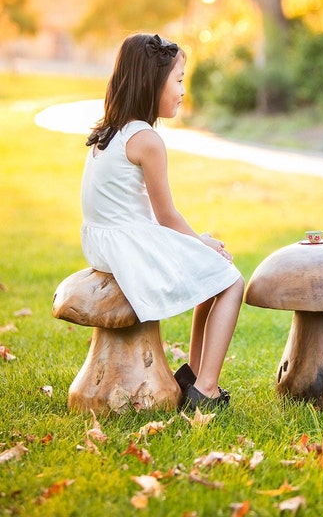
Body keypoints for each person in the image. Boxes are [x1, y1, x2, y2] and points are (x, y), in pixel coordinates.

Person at [81, 33, 244, 412]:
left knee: (212, 277)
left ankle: (194, 376)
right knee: (231, 281)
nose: (183, 90)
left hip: (106, 242)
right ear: (152, 84)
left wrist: (196, 242)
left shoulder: (111, 130)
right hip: (127, 247)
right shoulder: (146, 139)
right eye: (179, 79)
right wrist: (200, 243)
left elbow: (145, 210)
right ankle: (206, 387)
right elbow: (167, 215)